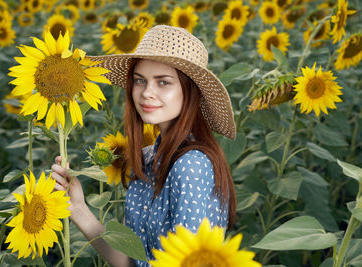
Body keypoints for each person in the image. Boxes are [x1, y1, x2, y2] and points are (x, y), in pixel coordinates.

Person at [52, 25, 236, 267]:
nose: (147, 93)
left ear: (190, 91)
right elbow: (135, 262)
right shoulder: (148, 159)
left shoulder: (191, 166)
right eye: (140, 80)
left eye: (163, 82)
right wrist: (77, 209)